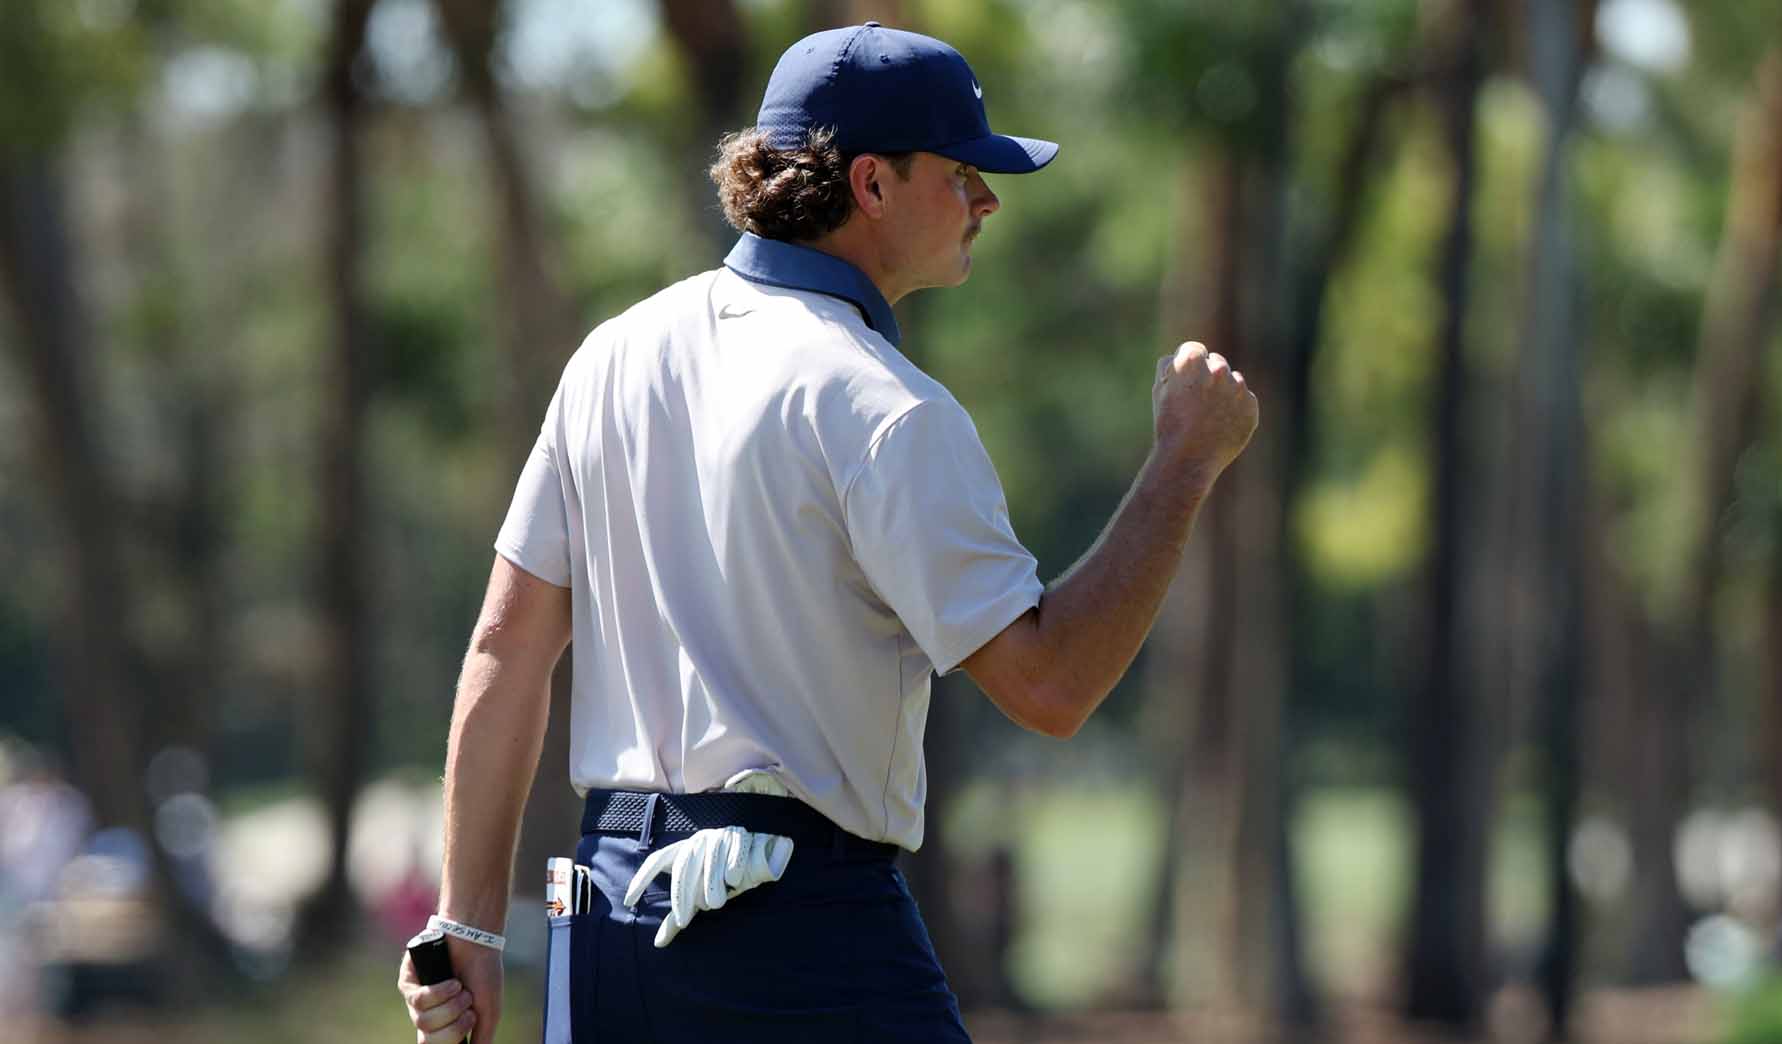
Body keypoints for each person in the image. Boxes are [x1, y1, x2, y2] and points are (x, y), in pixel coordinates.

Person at [398, 21, 1258, 1044]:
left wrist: (466, 926)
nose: (985, 199)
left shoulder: (611, 359)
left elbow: (506, 647)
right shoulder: (883, 405)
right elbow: (1050, 686)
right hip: (790, 928)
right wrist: (1182, 463)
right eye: (961, 171)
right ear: (872, 185)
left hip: (607, 928)